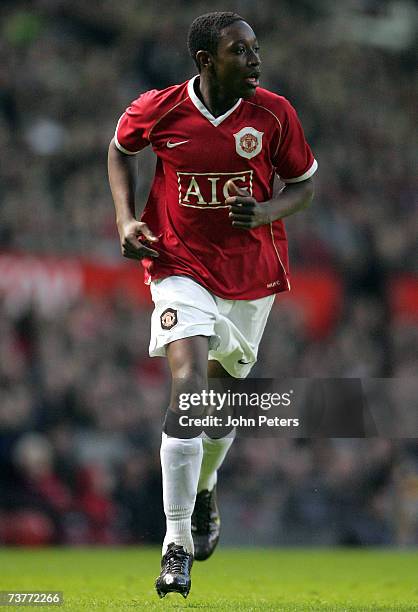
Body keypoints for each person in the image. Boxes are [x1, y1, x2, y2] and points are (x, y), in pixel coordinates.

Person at [108, 11, 317, 599]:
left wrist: (268, 211)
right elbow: (119, 148)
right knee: (189, 390)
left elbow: (305, 184)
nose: (254, 59)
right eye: (240, 51)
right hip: (179, 267)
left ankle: (206, 486)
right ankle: (176, 544)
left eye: (255, 49)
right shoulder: (161, 108)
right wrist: (125, 217)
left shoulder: (275, 114)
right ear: (206, 61)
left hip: (249, 278)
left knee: (219, 413)